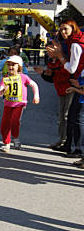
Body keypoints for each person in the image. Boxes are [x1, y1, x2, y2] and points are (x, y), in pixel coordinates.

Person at [46, 20, 84, 159]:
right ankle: (69, 145)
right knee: (72, 116)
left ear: (73, 28)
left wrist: (60, 56)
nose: (63, 32)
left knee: (76, 117)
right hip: (74, 83)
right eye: (61, 29)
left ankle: (78, 149)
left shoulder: (74, 44)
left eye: (65, 29)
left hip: (76, 83)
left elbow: (71, 68)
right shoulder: (71, 42)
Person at [0, 55, 40, 153]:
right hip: (8, 104)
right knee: (4, 124)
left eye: (13, 65)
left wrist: (36, 95)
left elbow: (34, 84)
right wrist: (2, 91)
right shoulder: (5, 78)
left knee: (14, 121)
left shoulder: (23, 77)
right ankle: (6, 143)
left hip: (19, 104)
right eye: (9, 65)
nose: (11, 67)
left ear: (19, 66)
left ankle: (15, 138)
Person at [34, 43, 72, 150]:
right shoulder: (50, 62)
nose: (49, 52)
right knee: (61, 117)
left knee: (66, 116)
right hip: (60, 90)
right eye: (47, 50)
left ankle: (67, 141)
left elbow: (65, 74)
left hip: (69, 89)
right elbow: (51, 78)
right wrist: (43, 73)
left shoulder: (64, 60)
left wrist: (46, 72)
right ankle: (62, 139)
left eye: (51, 49)